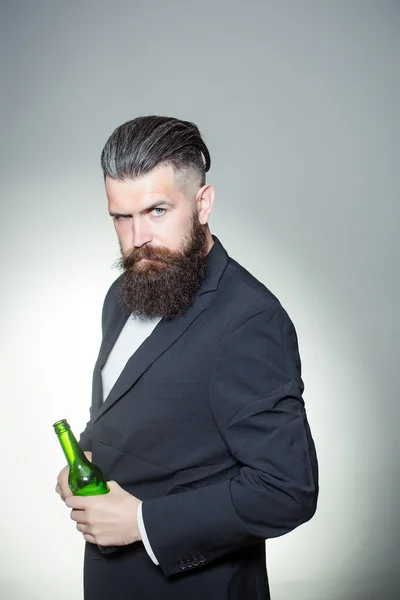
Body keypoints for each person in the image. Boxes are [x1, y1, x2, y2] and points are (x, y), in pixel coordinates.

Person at [55, 115, 318, 600]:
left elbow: (287, 490)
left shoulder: (249, 319)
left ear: (203, 203)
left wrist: (141, 522)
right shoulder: (121, 293)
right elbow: (129, 406)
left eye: (157, 211)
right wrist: (88, 451)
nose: (138, 239)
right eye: (121, 216)